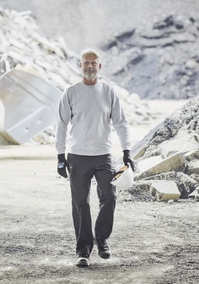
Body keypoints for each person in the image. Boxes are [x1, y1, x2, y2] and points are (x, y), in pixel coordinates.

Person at [55, 48, 135, 267]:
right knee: (80, 203)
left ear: (100, 67)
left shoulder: (109, 92)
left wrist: (127, 151)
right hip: (78, 157)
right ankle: (83, 251)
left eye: (94, 63)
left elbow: (121, 123)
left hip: (104, 156)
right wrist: (60, 156)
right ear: (80, 65)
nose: (89, 66)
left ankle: (101, 238)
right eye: (85, 63)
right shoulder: (70, 93)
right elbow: (61, 125)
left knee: (109, 197)